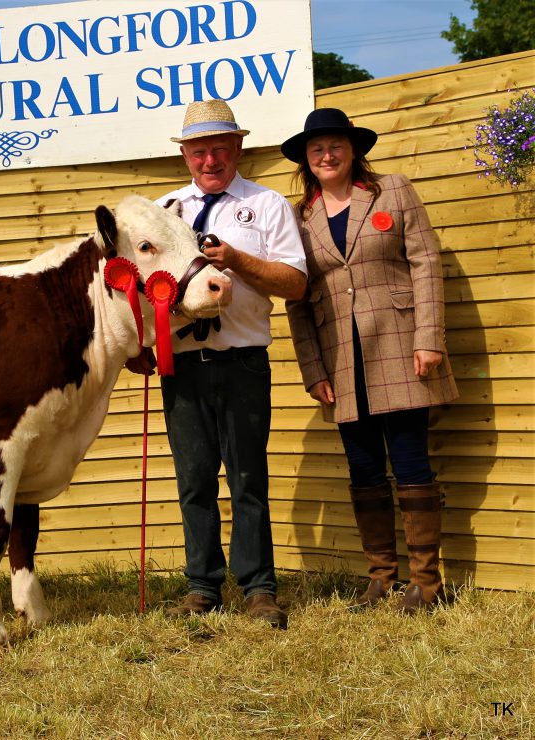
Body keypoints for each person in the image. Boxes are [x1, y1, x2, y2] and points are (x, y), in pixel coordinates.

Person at [280, 108, 459, 614]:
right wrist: (312, 370)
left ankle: (426, 582)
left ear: (353, 150)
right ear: (307, 160)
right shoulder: (301, 218)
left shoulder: (393, 191)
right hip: (340, 361)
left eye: (335, 145)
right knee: (363, 469)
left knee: (410, 462)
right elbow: (298, 301)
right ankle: (381, 578)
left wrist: (430, 338)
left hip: (402, 346)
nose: (327, 155)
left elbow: (426, 266)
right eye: (317, 150)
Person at [154, 99, 308, 628]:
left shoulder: (267, 205)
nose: (209, 159)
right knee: (193, 478)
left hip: (242, 360)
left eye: (219, 148)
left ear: (237, 148)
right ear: (185, 155)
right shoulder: (164, 210)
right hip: (182, 366)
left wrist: (236, 260)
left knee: (247, 477)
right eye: (199, 150)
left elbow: (295, 284)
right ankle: (202, 586)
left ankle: (259, 588)